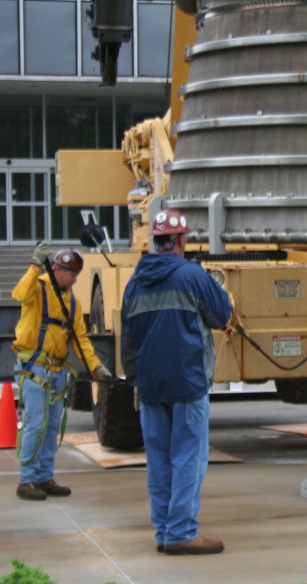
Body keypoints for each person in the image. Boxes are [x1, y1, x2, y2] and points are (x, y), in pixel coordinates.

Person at [121, 208, 232, 555]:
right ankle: (182, 532)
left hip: (150, 386)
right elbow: (222, 315)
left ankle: (165, 532)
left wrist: (135, 382)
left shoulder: (134, 283)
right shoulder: (192, 275)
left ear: (156, 242)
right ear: (181, 241)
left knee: (158, 459)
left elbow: (128, 340)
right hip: (188, 381)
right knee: (188, 457)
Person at [12, 244, 111, 501]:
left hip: (56, 371)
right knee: (36, 423)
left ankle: (44, 476)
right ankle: (27, 480)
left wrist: (95, 367)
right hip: (35, 367)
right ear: (57, 270)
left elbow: (80, 339)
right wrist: (35, 265)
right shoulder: (38, 288)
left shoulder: (72, 302)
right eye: (72, 273)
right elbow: (20, 294)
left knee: (52, 425)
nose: (76, 278)